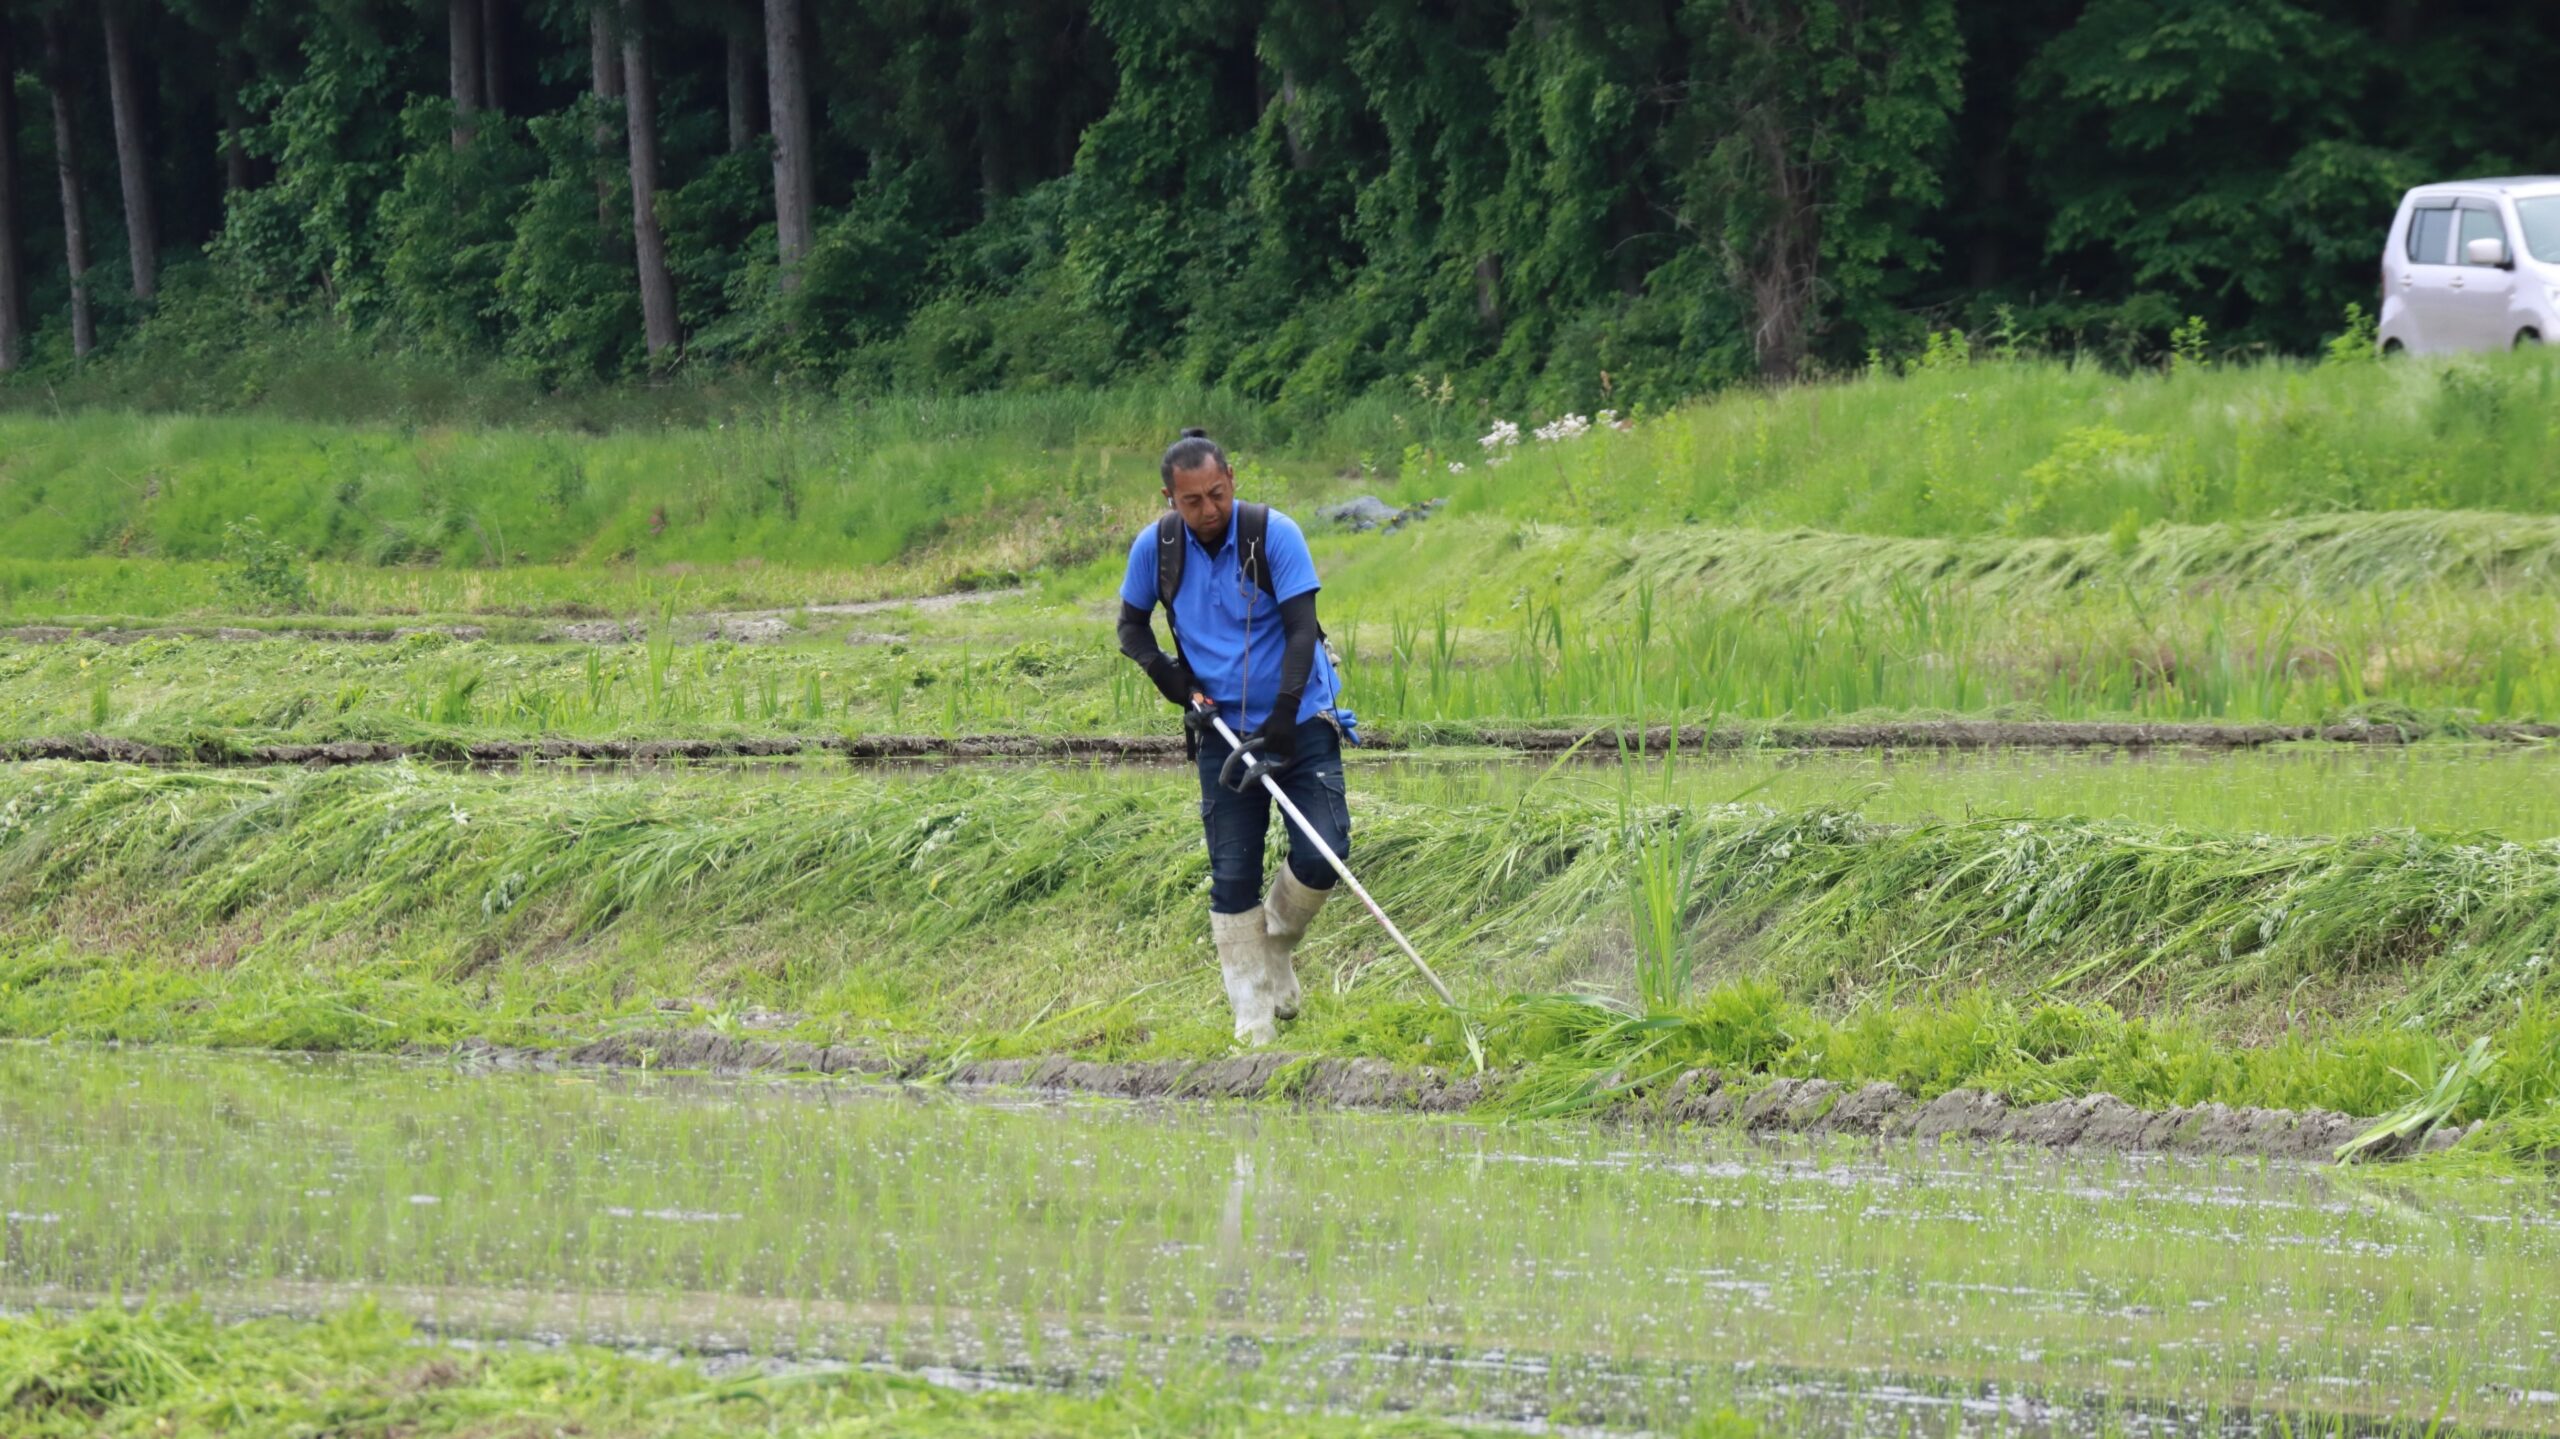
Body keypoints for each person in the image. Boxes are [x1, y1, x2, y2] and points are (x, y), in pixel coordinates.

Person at [1117, 428, 1352, 1046]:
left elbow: (1302, 631)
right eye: (1191, 501)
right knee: (1232, 871)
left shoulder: (1274, 534)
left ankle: (1275, 944)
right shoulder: (1158, 548)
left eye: (1216, 494)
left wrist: (1283, 710)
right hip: (1220, 725)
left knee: (1325, 852)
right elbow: (1131, 629)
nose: (1207, 511)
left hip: (1297, 716)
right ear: (1169, 499)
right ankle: (1252, 1021)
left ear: (1232, 482)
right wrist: (1171, 678)